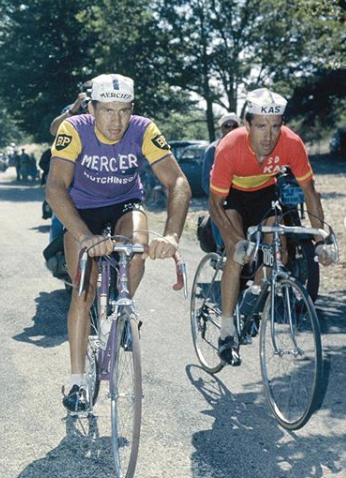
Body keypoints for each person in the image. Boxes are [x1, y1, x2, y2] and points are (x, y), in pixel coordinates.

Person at [45, 74, 191, 412]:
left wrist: (171, 235)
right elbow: (55, 188)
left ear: (132, 110)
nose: (116, 121)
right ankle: (78, 380)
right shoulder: (74, 129)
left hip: (126, 203)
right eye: (107, 111)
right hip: (83, 210)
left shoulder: (144, 129)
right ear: (92, 108)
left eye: (124, 111)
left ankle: (121, 313)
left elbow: (178, 181)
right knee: (83, 290)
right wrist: (84, 237)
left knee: (136, 247)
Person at [209, 87, 333, 366]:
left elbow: (311, 193)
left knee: (279, 253)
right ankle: (227, 332)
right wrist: (236, 240)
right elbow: (214, 204)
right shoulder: (230, 147)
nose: (269, 136)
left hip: (265, 192)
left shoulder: (291, 143)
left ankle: (252, 298)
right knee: (237, 254)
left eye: (276, 127)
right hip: (232, 196)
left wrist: (320, 239)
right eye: (261, 126)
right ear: (247, 125)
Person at [201, 112, 241, 247]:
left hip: (242, 193)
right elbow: (206, 180)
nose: (230, 128)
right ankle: (221, 248)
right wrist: (220, 196)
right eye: (226, 125)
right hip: (221, 194)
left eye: (233, 125)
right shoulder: (213, 149)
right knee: (219, 209)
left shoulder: (246, 147)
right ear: (221, 129)